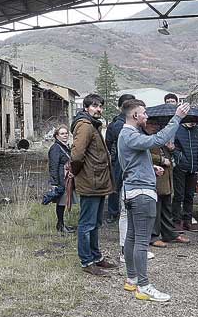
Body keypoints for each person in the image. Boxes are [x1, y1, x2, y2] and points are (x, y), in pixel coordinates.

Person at [117, 99, 190, 303]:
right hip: (141, 194)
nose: (146, 116)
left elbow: (134, 160)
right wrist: (177, 118)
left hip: (133, 191)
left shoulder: (129, 135)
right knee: (141, 241)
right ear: (135, 116)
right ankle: (144, 286)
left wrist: (151, 168)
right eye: (144, 113)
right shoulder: (129, 134)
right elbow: (157, 141)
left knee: (131, 237)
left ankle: (131, 279)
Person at [69, 94, 120, 276]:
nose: (99, 109)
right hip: (91, 181)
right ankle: (87, 261)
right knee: (87, 223)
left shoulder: (92, 124)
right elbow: (76, 156)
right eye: (95, 106)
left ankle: (96, 257)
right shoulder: (84, 125)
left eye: (100, 106)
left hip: (97, 181)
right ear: (86, 108)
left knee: (95, 222)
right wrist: (77, 172)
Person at [146, 119, 190, 248]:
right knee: (156, 208)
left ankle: (169, 233)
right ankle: (153, 236)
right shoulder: (143, 138)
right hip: (154, 177)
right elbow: (145, 155)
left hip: (165, 177)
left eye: (156, 124)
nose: (155, 127)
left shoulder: (157, 138)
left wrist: (170, 150)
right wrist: (161, 159)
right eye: (153, 124)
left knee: (166, 207)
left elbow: (165, 154)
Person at [104, 94, 135, 225]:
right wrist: (112, 158)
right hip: (118, 160)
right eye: (127, 104)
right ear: (120, 107)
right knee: (116, 186)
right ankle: (113, 212)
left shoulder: (137, 121)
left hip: (133, 159)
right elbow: (108, 142)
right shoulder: (117, 124)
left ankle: (129, 211)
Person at [43, 126, 76, 234]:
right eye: (62, 134)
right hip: (61, 180)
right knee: (61, 203)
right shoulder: (55, 148)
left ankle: (61, 224)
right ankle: (60, 225)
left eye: (66, 133)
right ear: (57, 136)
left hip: (67, 179)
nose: (65, 135)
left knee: (63, 202)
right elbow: (53, 166)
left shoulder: (65, 147)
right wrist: (55, 183)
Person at [172, 116, 198, 233]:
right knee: (179, 195)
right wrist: (180, 158)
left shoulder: (197, 131)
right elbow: (172, 147)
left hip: (193, 167)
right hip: (180, 167)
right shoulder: (177, 129)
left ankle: (187, 220)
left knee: (189, 195)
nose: (192, 122)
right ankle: (176, 220)